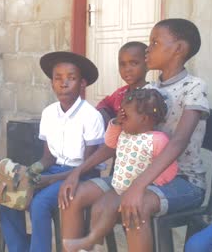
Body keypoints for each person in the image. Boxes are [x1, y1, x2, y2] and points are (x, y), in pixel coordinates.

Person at [59, 18, 209, 252]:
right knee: (74, 194)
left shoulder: (194, 87)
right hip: (136, 176)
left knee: (136, 204)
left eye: (155, 42)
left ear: (179, 48)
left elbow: (178, 142)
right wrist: (77, 172)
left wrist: (138, 186)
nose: (148, 48)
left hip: (184, 181)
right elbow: (115, 144)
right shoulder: (146, 92)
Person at [0, 51, 106, 252]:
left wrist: (49, 181)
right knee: (8, 193)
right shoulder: (49, 113)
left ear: (82, 84)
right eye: (58, 78)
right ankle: (19, 248)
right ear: (51, 83)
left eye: (71, 78)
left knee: (39, 203)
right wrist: (32, 170)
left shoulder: (91, 116)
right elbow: (48, 157)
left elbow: (87, 166)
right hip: (54, 169)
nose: (64, 83)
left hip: (82, 175)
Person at [63, 88, 178, 252]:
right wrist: (116, 122)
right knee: (98, 207)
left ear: (144, 119)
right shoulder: (124, 133)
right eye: (120, 115)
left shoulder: (157, 139)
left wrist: (155, 183)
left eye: (126, 117)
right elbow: (109, 142)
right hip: (119, 186)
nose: (122, 120)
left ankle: (90, 240)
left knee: (111, 208)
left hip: (136, 190)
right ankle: (96, 244)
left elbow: (170, 167)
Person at [96, 41, 149, 122]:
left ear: (147, 65)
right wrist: (112, 120)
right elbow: (103, 104)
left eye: (134, 63)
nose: (127, 69)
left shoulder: (152, 95)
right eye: (122, 64)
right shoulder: (120, 93)